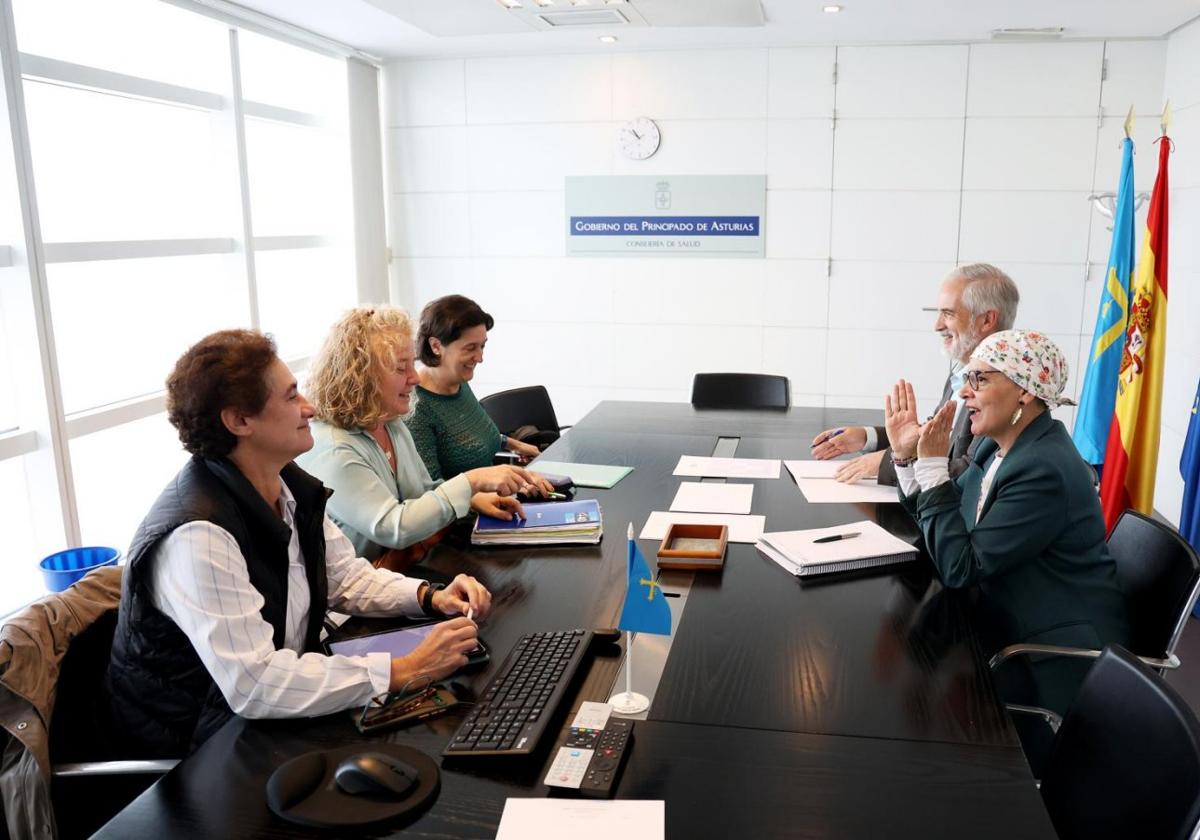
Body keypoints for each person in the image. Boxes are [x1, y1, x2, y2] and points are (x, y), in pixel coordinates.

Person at [106, 330, 491, 758]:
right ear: (239, 421)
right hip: (203, 750)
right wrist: (406, 669)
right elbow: (255, 684)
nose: (308, 408)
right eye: (291, 397)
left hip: (268, 715)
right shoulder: (199, 535)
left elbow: (344, 576)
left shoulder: (284, 482)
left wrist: (428, 596)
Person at [886, 329, 1129, 716]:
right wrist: (905, 461)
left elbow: (960, 567)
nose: (965, 392)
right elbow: (948, 529)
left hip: (1048, 652)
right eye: (968, 378)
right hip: (997, 617)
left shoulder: (1043, 469)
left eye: (980, 378)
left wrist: (932, 466)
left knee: (913, 700)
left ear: (1025, 391)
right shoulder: (994, 446)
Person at [298, 305, 552, 567]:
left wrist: (473, 500)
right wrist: (470, 483)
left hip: (397, 575)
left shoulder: (391, 424)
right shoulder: (333, 449)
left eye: (412, 365)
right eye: (401, 369)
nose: (415, 378)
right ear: (362, 377)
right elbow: (393, 526)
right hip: (359, 596)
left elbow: (422, 491)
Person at [811, 263, 1019, 485]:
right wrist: (866, 437)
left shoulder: (1002, 390)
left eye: (948, 314)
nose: (937, 326)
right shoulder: (961, 371)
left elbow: (968, 474)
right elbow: (935, 440)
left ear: (987, 320)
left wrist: (886, 462)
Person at [405, 294, 541, 481]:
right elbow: (432, 489)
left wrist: (515, 445)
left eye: (482, 347)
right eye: (470, 348)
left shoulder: (457, 379)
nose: (480, 357)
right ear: (436, 345)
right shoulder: (418, 408)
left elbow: (474, 433)